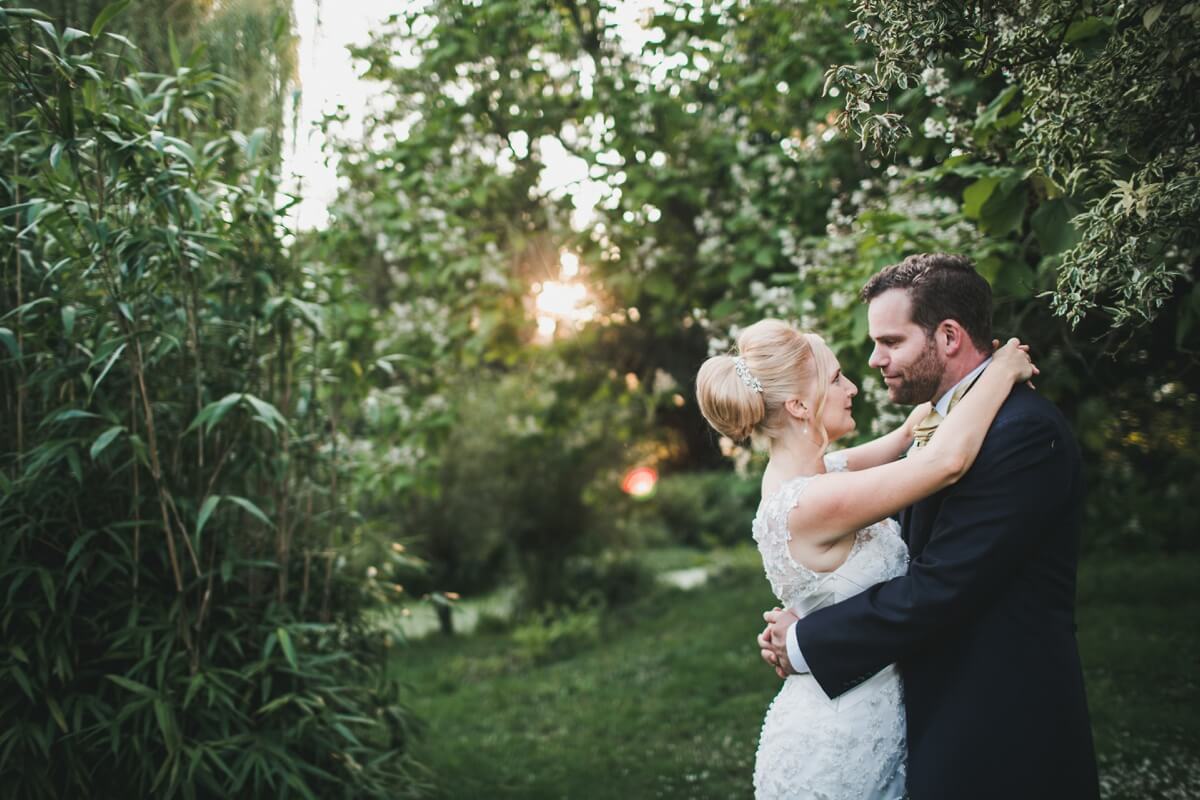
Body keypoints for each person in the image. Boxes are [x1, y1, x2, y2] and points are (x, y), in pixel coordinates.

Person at [754, 254, 1099, 799]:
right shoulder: (945, 422)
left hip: (999, 722)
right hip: (925, 707)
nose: (873, 361)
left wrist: (806, 639)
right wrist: (815, 607)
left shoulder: (1020, 431)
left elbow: (942, 583)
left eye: (891, 341)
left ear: (948, 336)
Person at [696, 303, 1037, 797]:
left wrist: (953, 382)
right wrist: (1001, 372)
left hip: (862, 698)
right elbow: (946, 463)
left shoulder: (820, 472)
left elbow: (906, 437)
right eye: (836, 380)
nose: (852, 387)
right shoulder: (815, 500)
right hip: (841, 736)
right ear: (797, 406)